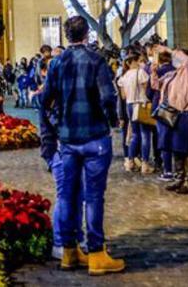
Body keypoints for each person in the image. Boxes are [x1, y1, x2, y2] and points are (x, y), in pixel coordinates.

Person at [39, 16, 126, 275]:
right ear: (86, 34)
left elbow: (46, 99)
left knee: (67, 194)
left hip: (68, 138)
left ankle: (69, 251)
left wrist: (57, 123)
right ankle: (96, 252)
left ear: (66, 35)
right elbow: (108, 96)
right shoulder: (96, 60)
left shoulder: (57, 62)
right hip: (94, 135)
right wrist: (111, 120)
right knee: (94, 196)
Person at [160, 49, 188, 194]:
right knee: (175, 147)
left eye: (178, 55)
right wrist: (154, 72)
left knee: (186, 148)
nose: (174, 57)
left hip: (185, 114)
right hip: (172, 114)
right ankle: (179, 178)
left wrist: (169, 50)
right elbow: (155, 85)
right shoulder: (174, 73)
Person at [117, 53, 154, 173]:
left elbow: (123, 95)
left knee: (134, 134)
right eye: (139, 60)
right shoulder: (141, 73)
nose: (140, 62)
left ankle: (130, 161)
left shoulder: (124, 76)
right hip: (141, 104)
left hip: (129, 105)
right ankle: (144, 164)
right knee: (145, 135)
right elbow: (146, 91)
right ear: (134, 61)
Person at [151, 49, 177, 181]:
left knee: (164, 138)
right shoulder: (177, 71)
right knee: (176, 138)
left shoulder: (159, 72)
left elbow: (153, 88)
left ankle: (168, 170)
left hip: (162, 109)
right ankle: (180, 169)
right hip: (178, 107)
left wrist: (153, 72)